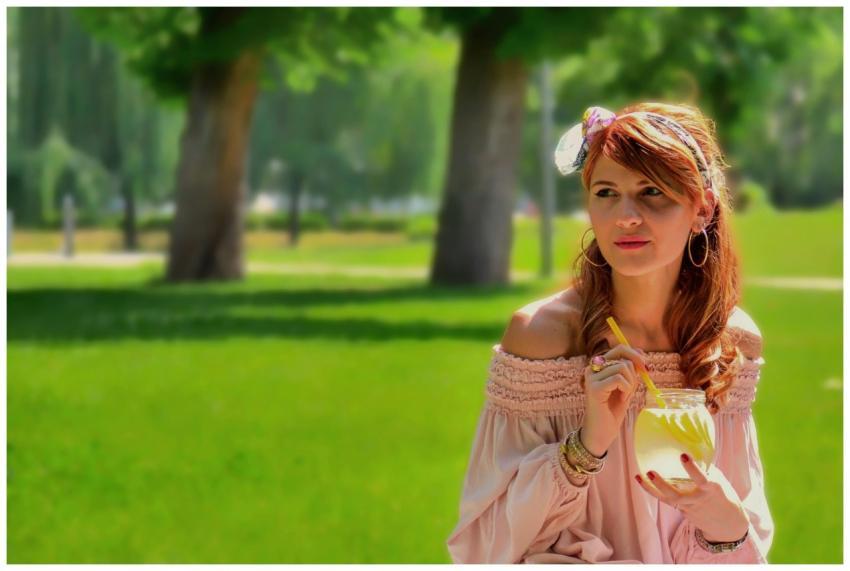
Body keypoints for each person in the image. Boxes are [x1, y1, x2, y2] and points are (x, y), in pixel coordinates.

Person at [445, 102, 774, 563]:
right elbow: (485, 544)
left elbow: (740, 534)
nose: (625, 216)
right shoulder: (542, 338)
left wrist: (725, 522)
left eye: (651, 192)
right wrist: (587, 444)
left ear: (702, 209)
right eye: (605, 192)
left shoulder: (731, 342)